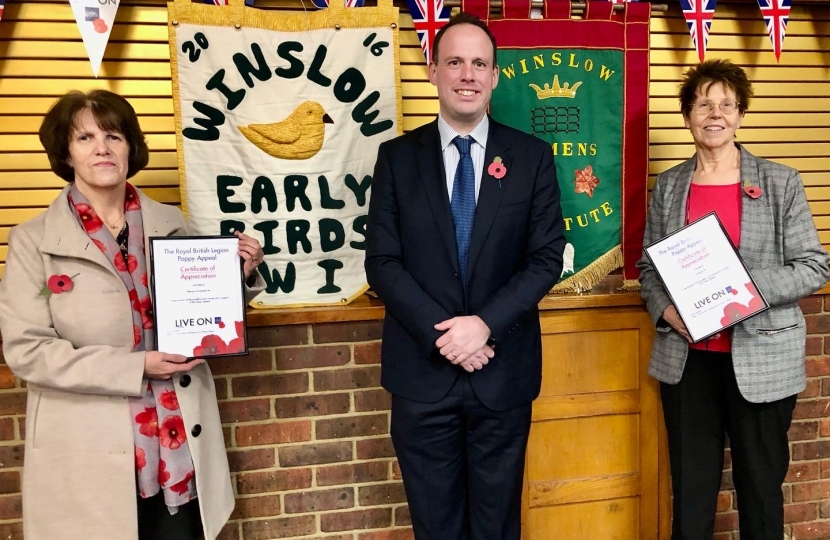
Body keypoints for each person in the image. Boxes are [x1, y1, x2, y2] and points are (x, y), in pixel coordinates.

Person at [0, 90, 265, 540]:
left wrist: (236, 275)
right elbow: (28, 352)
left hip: (179, 440)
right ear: (66, 153)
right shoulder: (32, 241)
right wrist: (136, 366)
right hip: (89, 448)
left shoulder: (172, 223)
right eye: (84, 137)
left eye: (113, 135)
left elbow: (201, 312)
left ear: (130, 147)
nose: (101, 147)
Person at [365, 12, 565, 540]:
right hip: (422, 378)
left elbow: (545, 258)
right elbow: (382, 263)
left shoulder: (532, 158)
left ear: (496, 76)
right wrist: (449, 335)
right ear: (433, 72)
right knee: (435, 526)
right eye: (455, 61)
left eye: (480, 63)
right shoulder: (396, 159)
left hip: (502, 375)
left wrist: (484, 326)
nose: (468, 74)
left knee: (498, 526)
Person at [637, 59, 829, 540]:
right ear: (688, 116)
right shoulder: (670, 187)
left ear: (740, 115)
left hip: (762, 364)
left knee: (761, 492)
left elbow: (813, 266)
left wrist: (742, 288)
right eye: (704, 104)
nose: (715, 114)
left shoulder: (780, 181)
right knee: (691, 493)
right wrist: (665, 309)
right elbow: (648, 269)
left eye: (726, 104)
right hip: (688, 363)